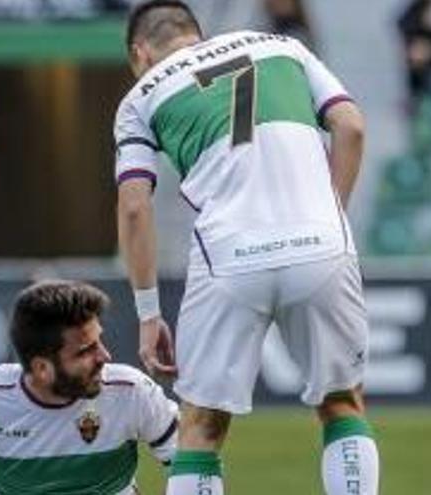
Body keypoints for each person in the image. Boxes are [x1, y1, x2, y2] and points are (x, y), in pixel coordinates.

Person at [114, 2, 377, 494]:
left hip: (229, 256)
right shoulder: (284, 47)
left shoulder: (140, 97)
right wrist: (332, 214)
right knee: (342, 404)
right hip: (320, 243)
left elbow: (133, 207)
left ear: (139, 53)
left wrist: (149, 313)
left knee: (201, 429)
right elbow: (351, 126)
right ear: (193, 31)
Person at [0, 280, 178, 495]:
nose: (105, 357)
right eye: (86, 350)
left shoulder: (131, 391)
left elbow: (188, 462)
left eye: (100, 341)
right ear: (41, 368)